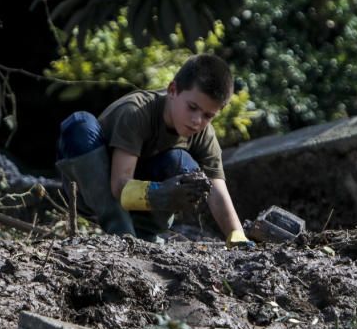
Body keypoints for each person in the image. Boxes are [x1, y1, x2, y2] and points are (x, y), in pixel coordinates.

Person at [55, 53, 253, 247]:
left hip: (138, 201)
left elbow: (217, 192)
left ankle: (146, 235)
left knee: (185, 166)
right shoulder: (136, 112)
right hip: (92, 191)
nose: (197, 120)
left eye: (208, 115)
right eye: (192, 107)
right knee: (80, 124)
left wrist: (238, 238)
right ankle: (123, 236)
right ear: (173, 90)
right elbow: (118, 186)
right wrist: (161, 192)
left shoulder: (203, 134)